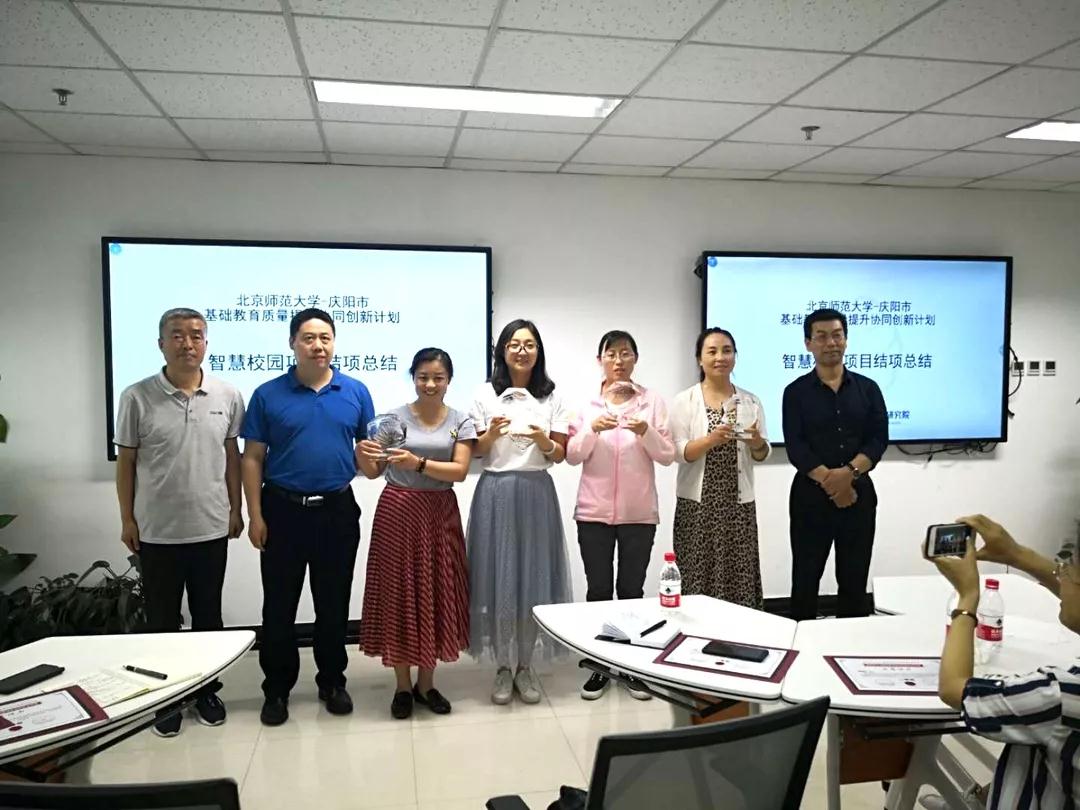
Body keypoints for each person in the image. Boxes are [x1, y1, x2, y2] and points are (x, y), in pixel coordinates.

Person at [114, 308, 245, 737]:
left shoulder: (227, 394)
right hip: (157, 530)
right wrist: (127, 518)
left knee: (209, 617)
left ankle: (206, 691)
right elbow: (126, 463)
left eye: (196, 335)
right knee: (162, 621)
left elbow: (232, 457)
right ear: (161, 344)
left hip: (211, 526)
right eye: (177, 335)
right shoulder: (136, 396)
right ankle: (166, 699)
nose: (187, 343)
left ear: (206, 342)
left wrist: (236, 509)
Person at [241, 308, 375, 727]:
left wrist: (379, 459)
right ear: (292, 343)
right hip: (282, 511)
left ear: (334, 343)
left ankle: (332, 681)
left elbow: (368, 459)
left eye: (325, 338)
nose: (318, 346)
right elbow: (252, 458)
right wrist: (255, 515)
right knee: (279, 606)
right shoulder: (268, 394)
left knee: (333, 603)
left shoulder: (355, 391)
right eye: (308, 338)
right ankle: (277, 689)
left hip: (337, 510)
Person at [928, 515, 1080, 808]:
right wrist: (1016, 554)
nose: (1059, 574)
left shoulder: (1060, 696)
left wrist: (967, 598)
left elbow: (954, 688)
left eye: (1067, 566)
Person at [356, 348, 475, 720]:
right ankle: (402, 687)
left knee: (436, 592)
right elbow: (373, 472)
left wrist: (418, 463)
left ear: (449, 381)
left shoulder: (461, 421)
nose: (430, 384)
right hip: (398, 511)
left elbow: (459, 471)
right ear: (413, 377)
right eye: (423, 377)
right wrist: (362, 453)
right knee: (400, 594)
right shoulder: (392, 419)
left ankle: (427, 683)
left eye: (438, 377)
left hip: (440, 512)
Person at [566, 330, 675, 701]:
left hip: (638, 514)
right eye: (611, 354)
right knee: (598, 590)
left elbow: (667, 455)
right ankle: (599, 666)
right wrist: (590, 430)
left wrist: (646, 431)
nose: (618, 360)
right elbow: (572, 455)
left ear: (635, 359)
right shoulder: (587, 404)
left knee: (631, 591)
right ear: (600, 360)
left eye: (625, 353)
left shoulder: (652, 402)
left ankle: (631, 668)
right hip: (593, 513)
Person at [468, 319, 572, 705]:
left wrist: (543, 439)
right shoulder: (484, 394)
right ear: (502, 350)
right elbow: (475, 451)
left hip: (536, 492)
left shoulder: (551, 396)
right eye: (514, 344)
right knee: (498, 579)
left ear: (538, 351)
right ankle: (501, 667)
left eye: (529, 344)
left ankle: (525, 666)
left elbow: (559, 454)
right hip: (495, 491)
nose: (522, 351)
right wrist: (491, 435)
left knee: (534, 579)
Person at [782, 308, 887, 621]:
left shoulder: (869, 389)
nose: (831, 343)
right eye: (822, 336)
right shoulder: (795, 392)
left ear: (846, 340)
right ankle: (800, 645)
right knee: (805, 579)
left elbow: (878, 440)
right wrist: (832, 482)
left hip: (859, 496)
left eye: (837, 335)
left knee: (854, 579)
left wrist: (849, 474)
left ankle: (851, 643)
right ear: (808, 343)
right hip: (809, 498)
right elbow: (796, 447)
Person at [670, 328, 771, 609]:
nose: (720, 357)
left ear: (735, 356)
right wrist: (711, 440)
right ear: (699, 359)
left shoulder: (750, 401)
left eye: (727, 350)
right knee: (696, 573)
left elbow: (762, 454)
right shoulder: (685, 400)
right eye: (712, 351)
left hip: (738, 506)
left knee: (739, 574)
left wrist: (756, 442)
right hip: (697, 506)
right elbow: (678, 452)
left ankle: (740, 630)